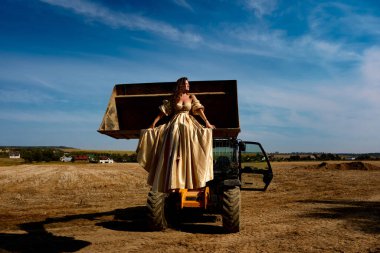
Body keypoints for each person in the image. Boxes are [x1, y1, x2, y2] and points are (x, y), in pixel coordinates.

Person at [137, 77, 215, 192]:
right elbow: (163, 113)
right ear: (180, 85)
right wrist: (153, 124)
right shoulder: (173, 98)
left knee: (193, 144)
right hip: (175, 123)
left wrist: (207, 123)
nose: (188, 86)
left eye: (188, 84)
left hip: (189, 124)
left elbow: (199, 111)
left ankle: (189, 179)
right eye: (186, 84)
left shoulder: (191, 97)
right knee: (173, 148)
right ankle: (172, 180)